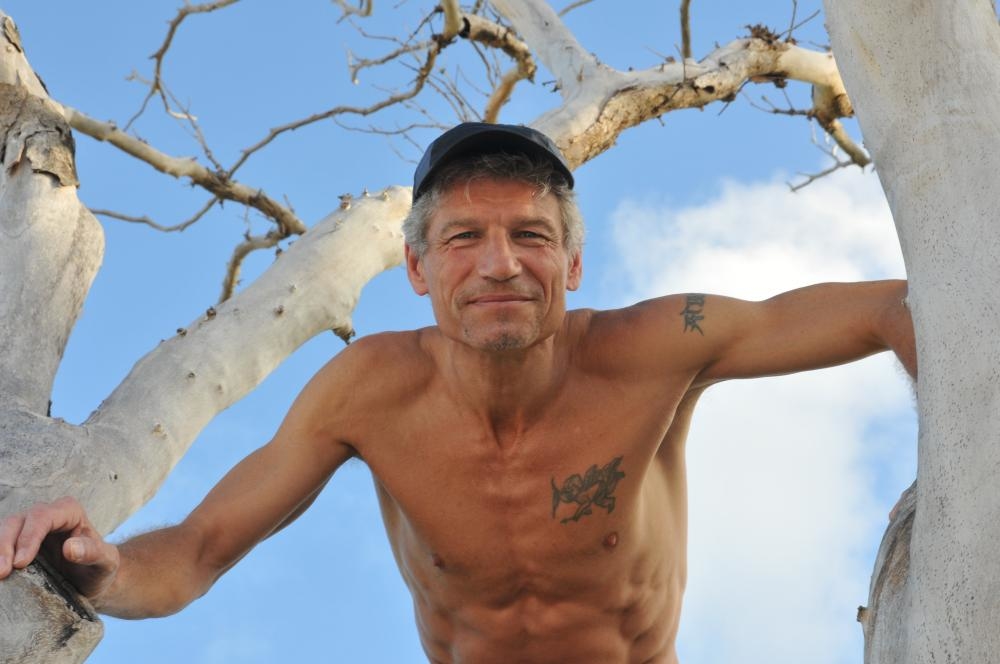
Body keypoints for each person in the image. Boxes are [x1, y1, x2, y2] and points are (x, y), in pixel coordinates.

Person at [0, 122, 916, 663]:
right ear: (417, 268)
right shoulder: (367, 391)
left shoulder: (654, 348)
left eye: (531, 235)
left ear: (573, 262)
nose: (501, 265)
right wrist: (107, 568)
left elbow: (895, 308)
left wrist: (966, 454)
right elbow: (200, 549)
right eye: (465, 238)